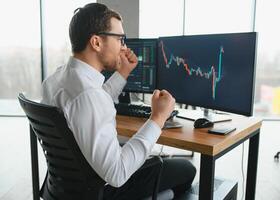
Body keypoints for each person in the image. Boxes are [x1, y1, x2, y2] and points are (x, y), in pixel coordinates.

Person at [41, 3, 196, 199]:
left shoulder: (57, 79)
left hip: (67, 189)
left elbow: (93, 102)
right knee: (186, 169)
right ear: (96, 42)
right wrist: (158, 118)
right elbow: (118, 173)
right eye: (120, 39)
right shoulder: (88, 96)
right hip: (103, 190)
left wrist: (123, 73)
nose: (124, 46)